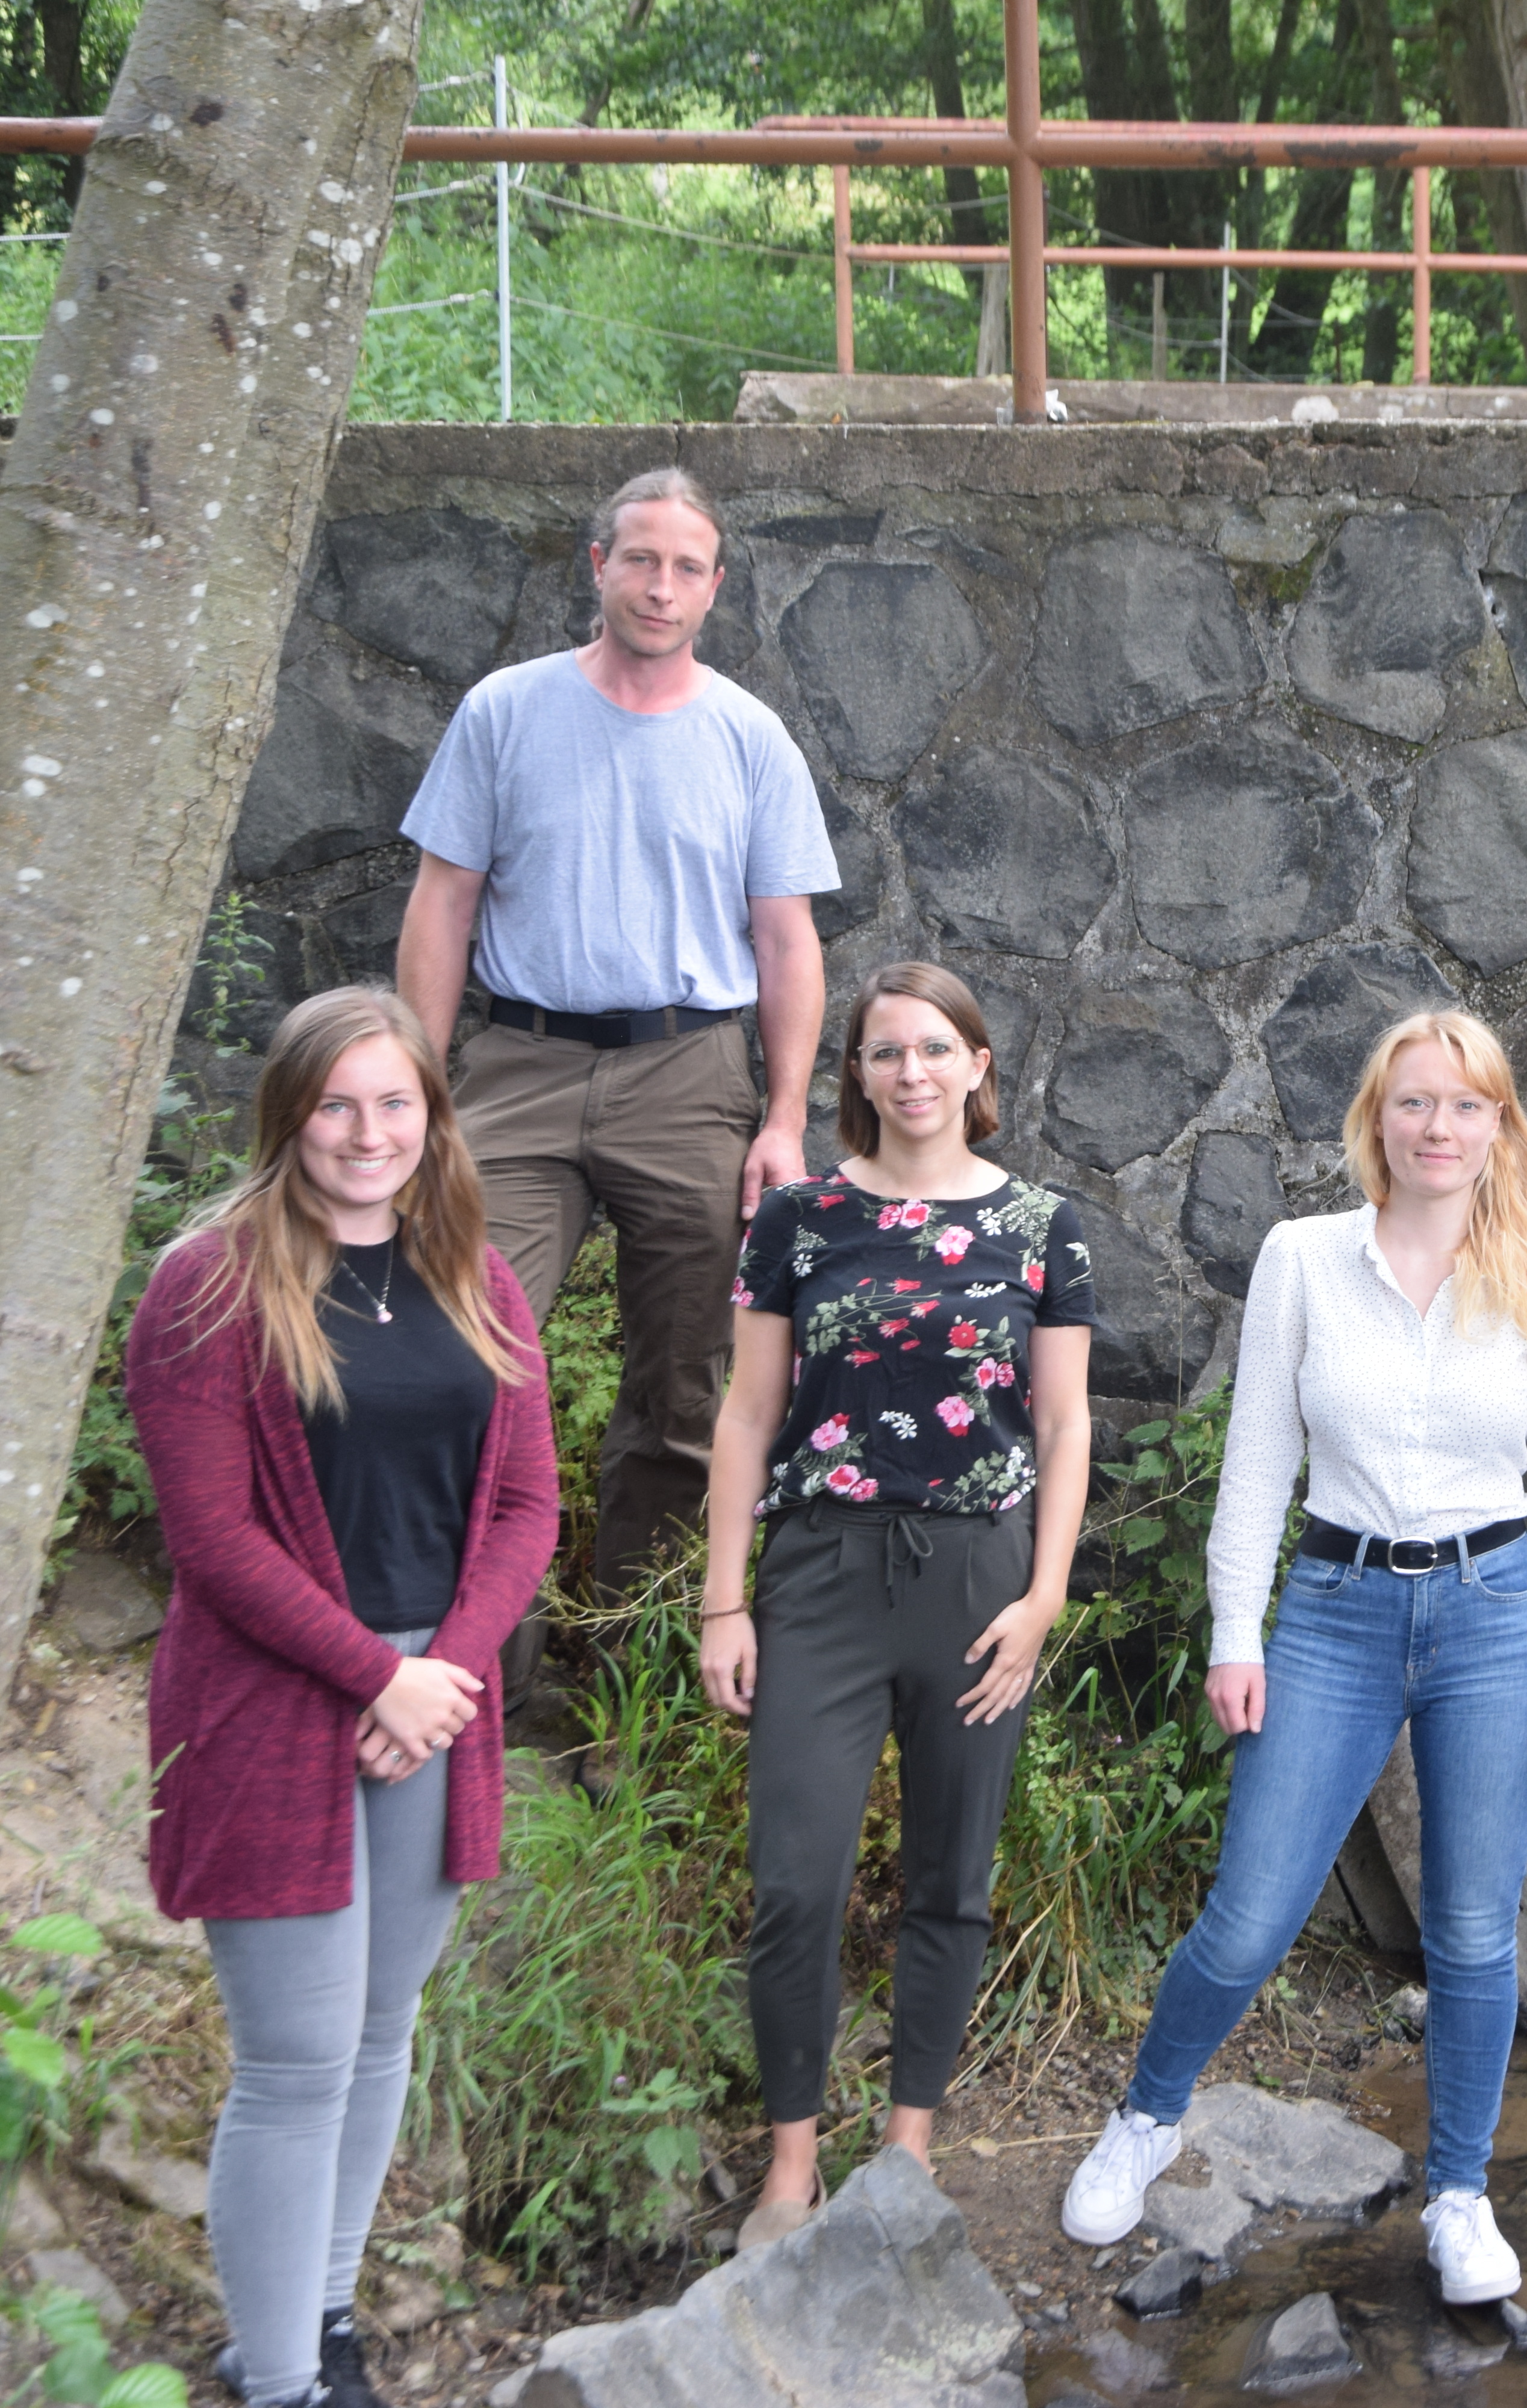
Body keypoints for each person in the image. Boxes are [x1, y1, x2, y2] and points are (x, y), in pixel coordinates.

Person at [1057, 1009, 1527, 2306]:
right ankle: (1146, 2117)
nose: (1439, 1128)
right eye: (1415, 1103)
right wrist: (1236, 1631)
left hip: (1496, 1611)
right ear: (1376, 1118)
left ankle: (1462, 2194)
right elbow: (1256, 1464)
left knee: (1474, 1931)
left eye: (1467, 1105)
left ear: (1499, 1126)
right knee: (1252, 1911)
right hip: (1334, 1609)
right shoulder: (1305, 1259)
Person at [124, 985, 559, 2408]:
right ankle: (274, 2377)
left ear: (432, 1116)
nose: (368, 1133)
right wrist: (379, 1671)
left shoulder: (473, 1275)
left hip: (437, 1696)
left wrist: (441, 1674)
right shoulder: (208, 1283)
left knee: (383, 2036)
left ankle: (322, 2322)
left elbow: (524, 1504)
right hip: (274, 1704)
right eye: (337, 1104)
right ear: (288, 1113)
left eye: (395, 1102)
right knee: (298, 2058)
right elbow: (215, 1540)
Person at [700, 961, 1096, 2248]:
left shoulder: (1043, 1224)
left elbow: (1063, 1417)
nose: (911, 1071)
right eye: (885, 1051)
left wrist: (1044, 1594)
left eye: (937, 1047)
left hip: (979, 1577)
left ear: (980, 1065)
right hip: (819, 1573)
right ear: (855, 1073)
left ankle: (909, 2143)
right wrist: (725, 1602)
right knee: (797, 1881)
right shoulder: (800, 1220)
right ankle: (790, 2165)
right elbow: (749, 1414)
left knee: (950, 1874)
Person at [395, 465, 835, 1604]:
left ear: (715, 588)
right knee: (461, 1346)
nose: (660, 586)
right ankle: (487, 1658)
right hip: (517, 1065)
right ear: (599, 567)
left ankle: (626, 1661)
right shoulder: (506, 710)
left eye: (687, 568)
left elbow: (786, 944)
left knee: (684, 1389)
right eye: (640, 559)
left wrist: (784, 1119)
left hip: (689, 1074)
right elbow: (443, 901)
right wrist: (413, 1084)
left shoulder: (751, 740)